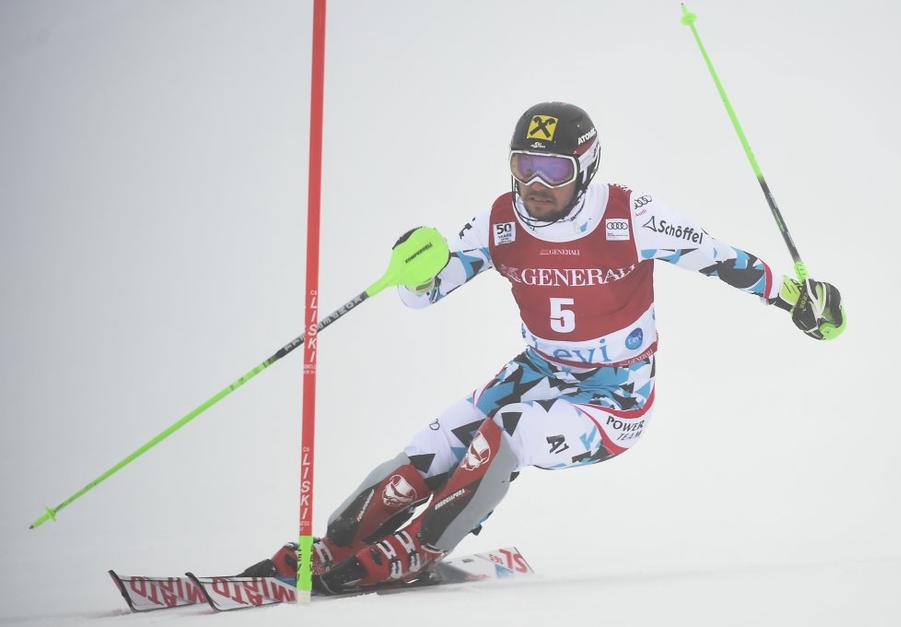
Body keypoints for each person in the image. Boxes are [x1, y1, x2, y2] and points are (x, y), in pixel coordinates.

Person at [241, 102, 845, 592]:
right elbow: (426, 294)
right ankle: (339, 541)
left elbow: (717, 257)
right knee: (441, 440)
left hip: (614, 400)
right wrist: (413, 270)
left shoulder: (631, 215)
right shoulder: (500, 221)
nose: (535, 184)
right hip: (538, 370)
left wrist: (797, 298)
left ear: (585, 167)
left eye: (552, 170)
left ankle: (420, 548)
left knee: (510, 429)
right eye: (523, 165)